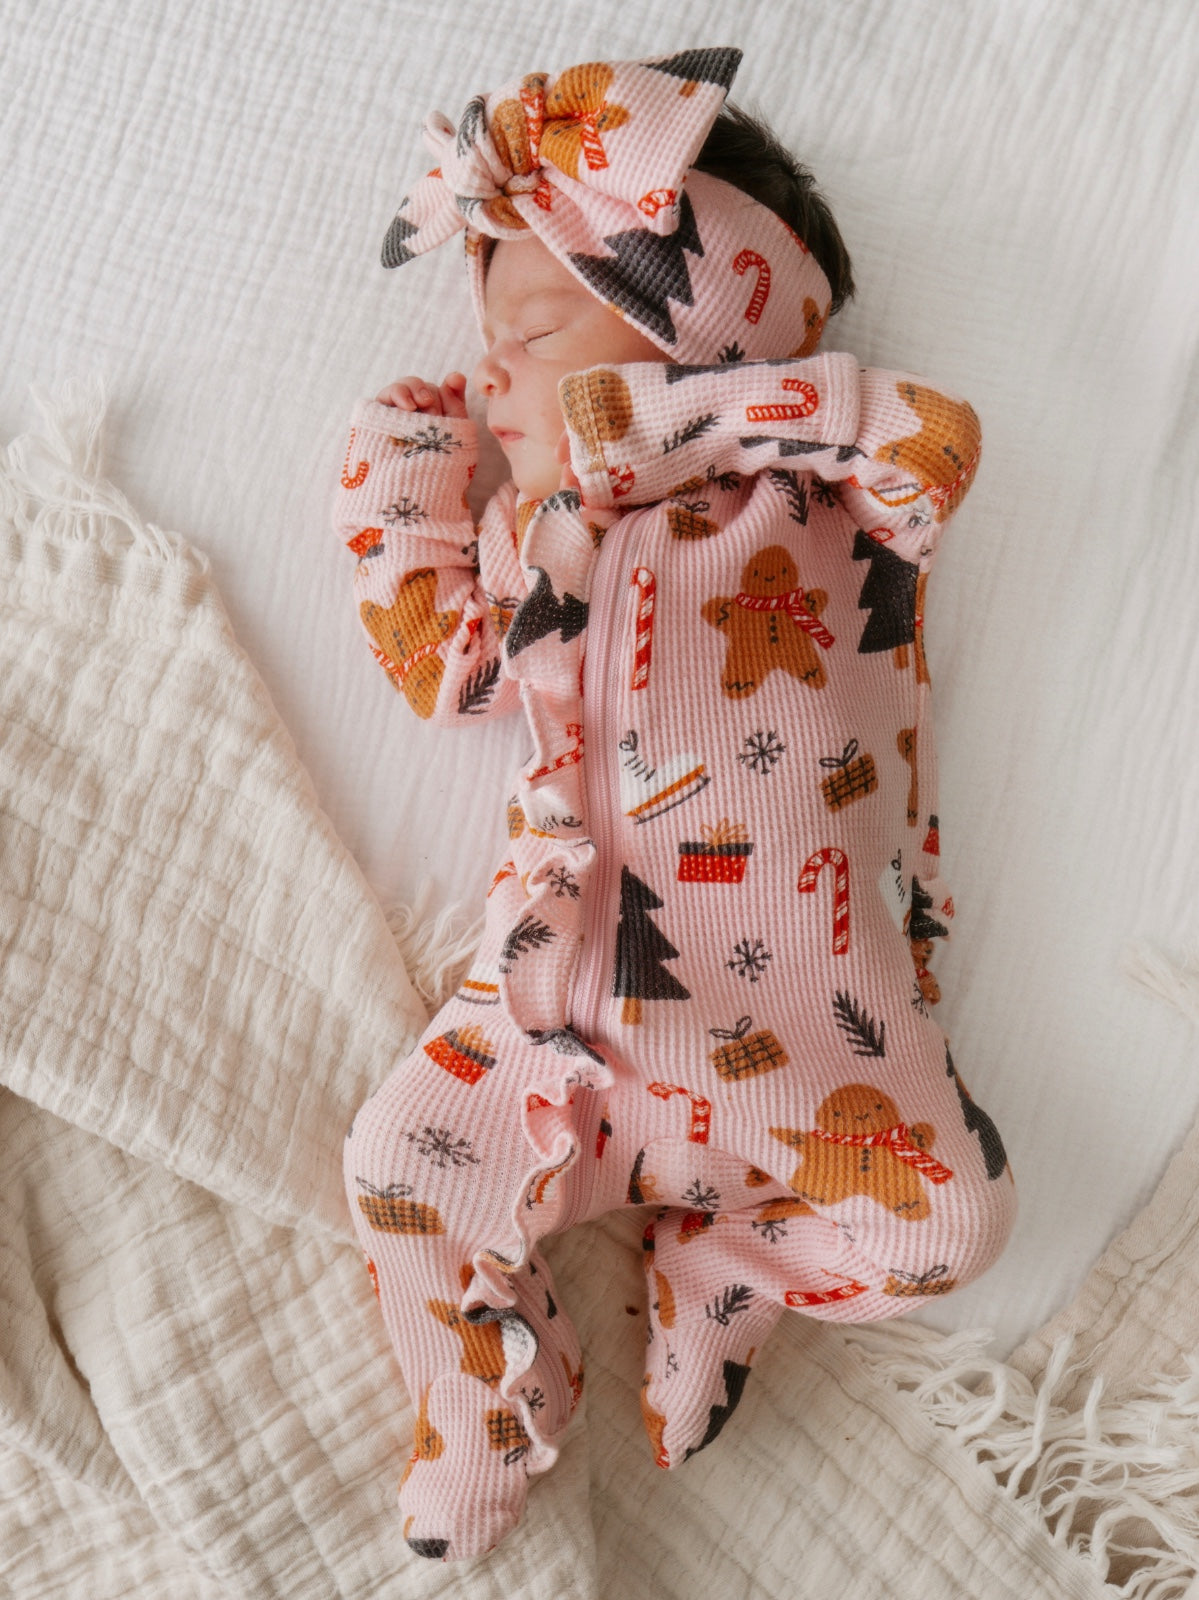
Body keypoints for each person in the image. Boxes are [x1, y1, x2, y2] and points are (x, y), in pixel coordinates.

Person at [335, 47, 1014, 1563]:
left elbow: (939, 443)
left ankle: (733, 1268)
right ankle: (488, 1410)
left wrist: (660, 429)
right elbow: (438, 665)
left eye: (522, 328)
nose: (492, 369)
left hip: (822, 1050)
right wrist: (407, 465)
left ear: (696, 328)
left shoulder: (827, 492)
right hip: (559, 1028)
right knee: (395, 1168)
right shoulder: (540, 539)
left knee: (954, 1229)